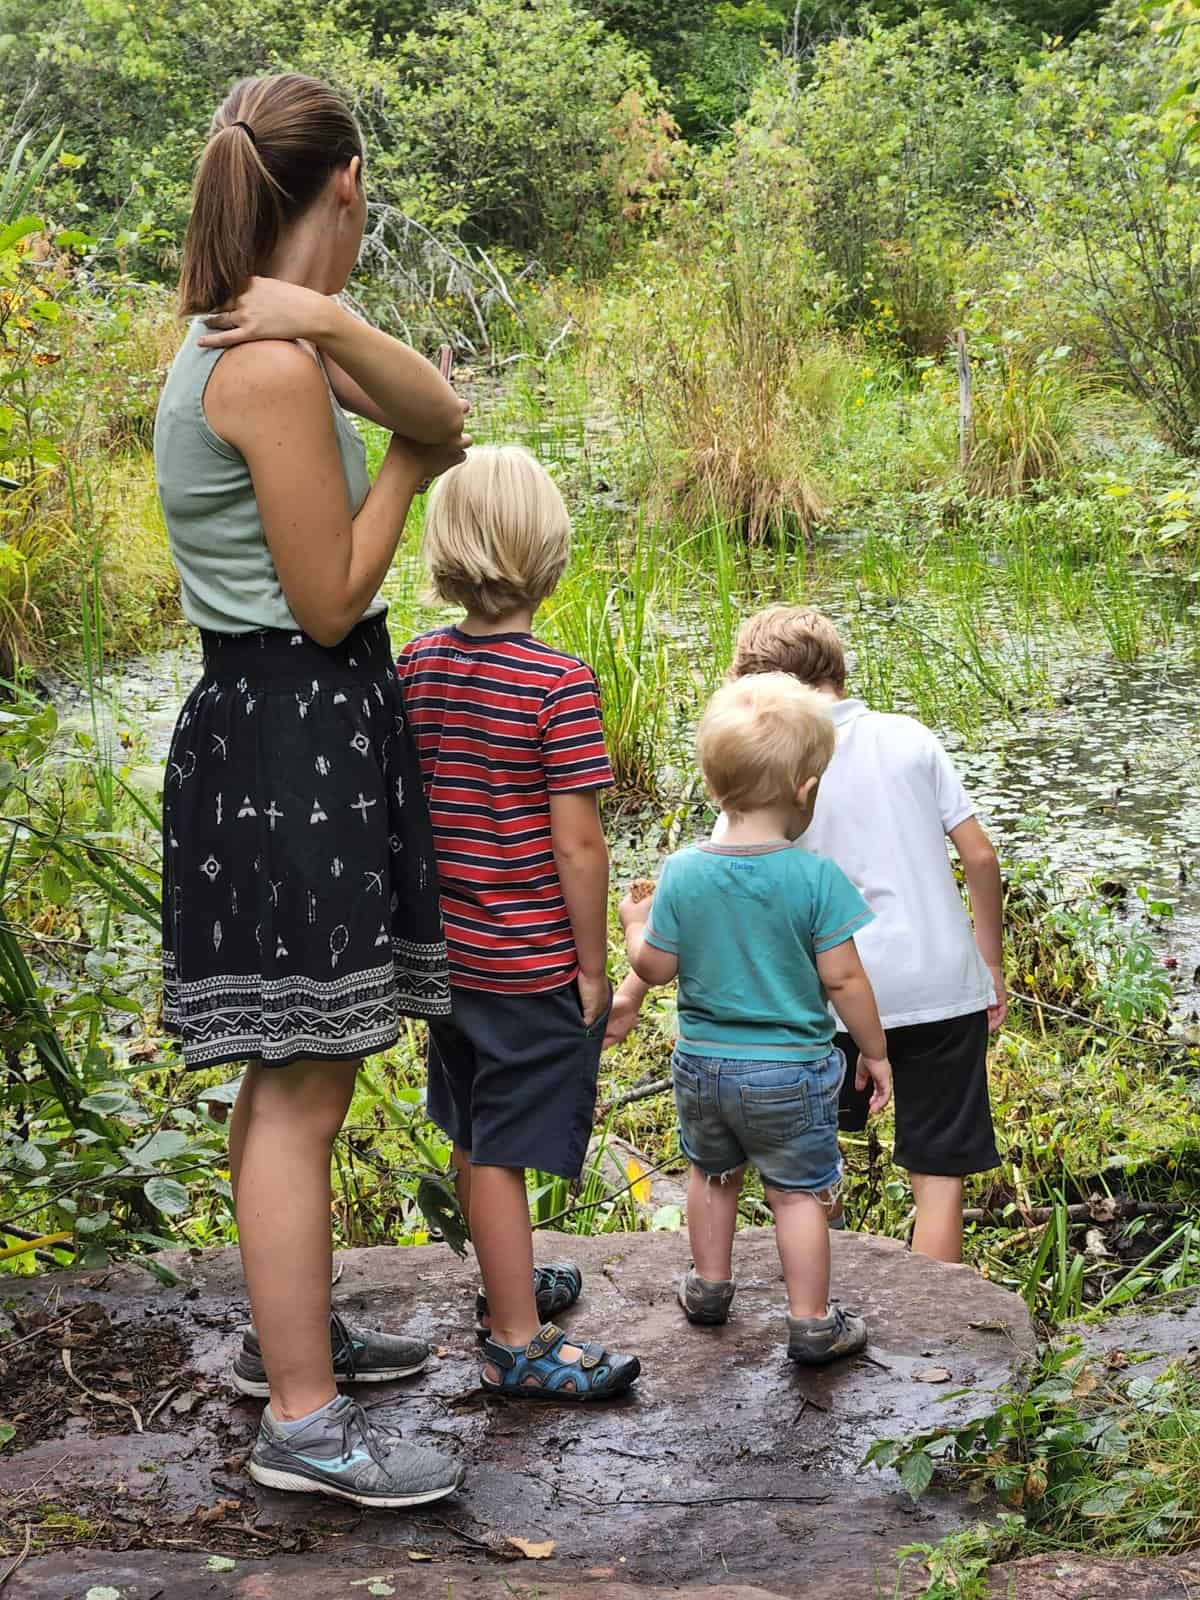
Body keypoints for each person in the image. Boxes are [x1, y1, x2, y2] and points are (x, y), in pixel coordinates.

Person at [155, 73, 471, 1506]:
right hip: (293, 725)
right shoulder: (267, 366)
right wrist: (401, 467)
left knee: (292, 1067)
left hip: (285, 726)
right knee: (303, 1087)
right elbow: (335, 597)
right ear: (346, 186)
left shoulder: (275, 336)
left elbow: (442, 403)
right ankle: (301, 1418)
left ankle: (291, 1338)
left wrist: (338, 322)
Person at [611, 606, 1005, 1264]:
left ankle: (827, 1287)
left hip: (823, 998)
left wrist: (630, 990)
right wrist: (986, 959)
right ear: (837, 672)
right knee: (938, 1170)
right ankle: (937, 1317)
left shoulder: (760, 762)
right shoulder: (908, 736)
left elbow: (705, 894)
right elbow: (981, 858)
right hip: (940, 984)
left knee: (808, 1161)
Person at [396, 445, 641, 1400]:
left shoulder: (416, 665)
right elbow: (579, 848)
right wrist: (592, 966)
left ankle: (507, 1279)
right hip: (524, 956)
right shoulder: (558, 686)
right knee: (504, 1140)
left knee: (470, 1117)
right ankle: (515, 1338)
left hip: (444, 958)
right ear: (548, 551)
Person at [619, 674, 892, 1363]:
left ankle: (710, 1289)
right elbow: (845, 977)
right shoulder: (815, 878)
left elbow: (654, 969)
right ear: (805, 788)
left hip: (703, 1064)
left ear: (714, 786)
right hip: (791, 1071)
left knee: (711, 1175)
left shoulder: (683, 872)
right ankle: (810, 1323)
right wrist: (875, 1051)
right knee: (797, 1195)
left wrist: (631, 927)